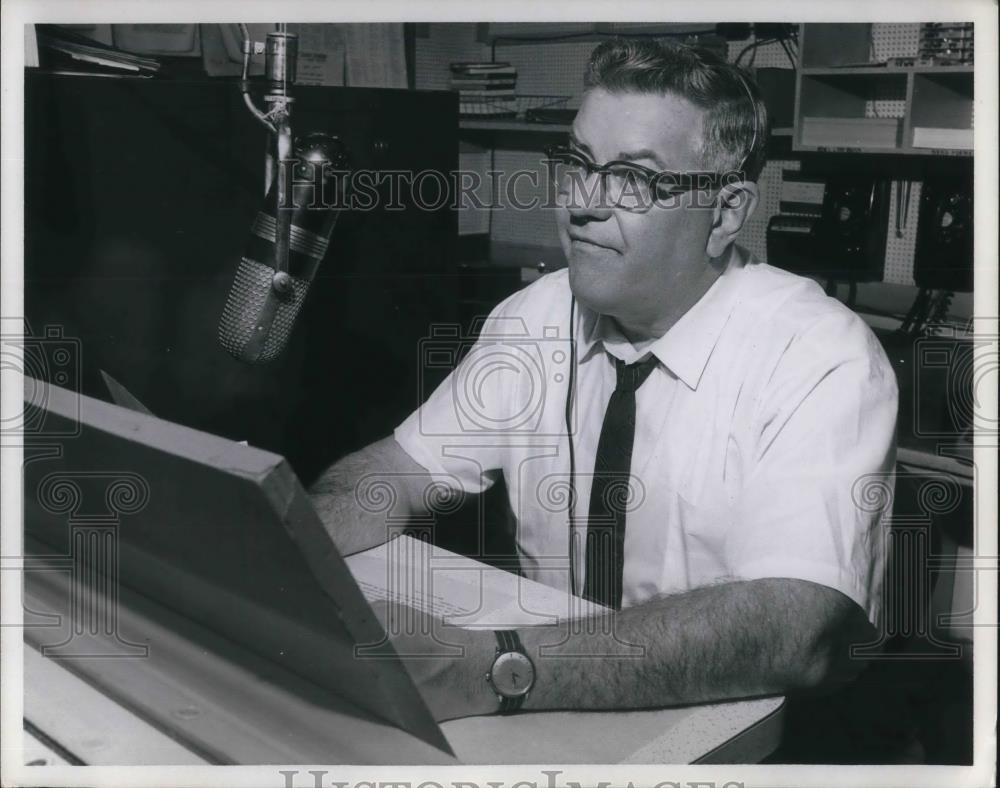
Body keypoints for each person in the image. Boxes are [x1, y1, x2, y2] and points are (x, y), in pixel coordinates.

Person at [309, 38, 898, 723]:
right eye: (580, 164)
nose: (583, 204)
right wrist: (289, 553)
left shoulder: (820, 356)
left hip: (738, 734)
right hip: (558, 698)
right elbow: (398, 472)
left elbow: (796, 628)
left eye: (634, 179)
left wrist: (493, 667)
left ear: (727, 213)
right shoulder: (534, 316)